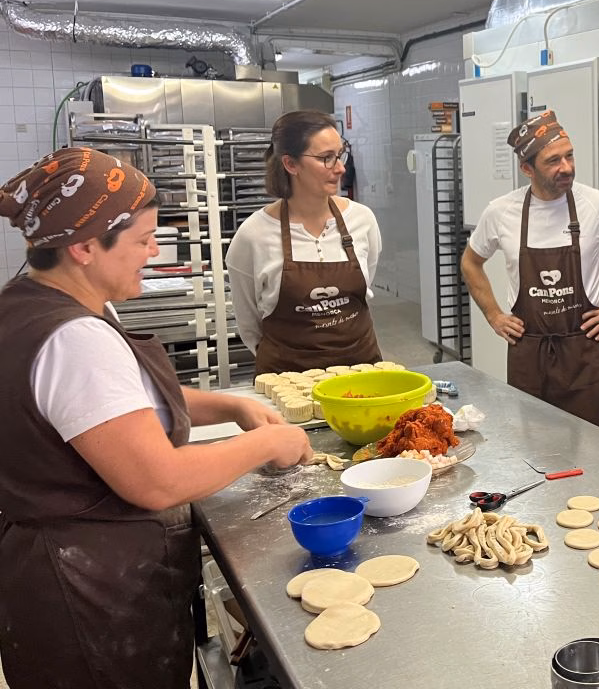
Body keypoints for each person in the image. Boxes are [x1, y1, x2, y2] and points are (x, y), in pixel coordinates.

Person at [0, 148, 312, 689]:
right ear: (84, 246)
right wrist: (269, 444)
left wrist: (230, 404)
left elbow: (113, 403)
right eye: (143, 239)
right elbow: (157, 480)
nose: (155, 250)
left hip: (60, 572)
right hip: (89, 592)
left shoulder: (32, 302)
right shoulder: (74, 338)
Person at [461, 110, 599, 433]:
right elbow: (471, 261)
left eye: (569, 156)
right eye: (553, 161)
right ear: (527, 169)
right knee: (534, 451)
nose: (566, 168)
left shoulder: (598, 205)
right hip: (529, 354)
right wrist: (494, 315)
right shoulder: (501, 212)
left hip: (585, 356)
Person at [227, 110, 383, 374]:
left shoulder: (362, 220)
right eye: (326, 158)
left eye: (340, 153)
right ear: (291, 164)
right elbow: (249, 325)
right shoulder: (254, 235)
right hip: (288, 380)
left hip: (360, 373)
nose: (341, 167)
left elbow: (365, 288)